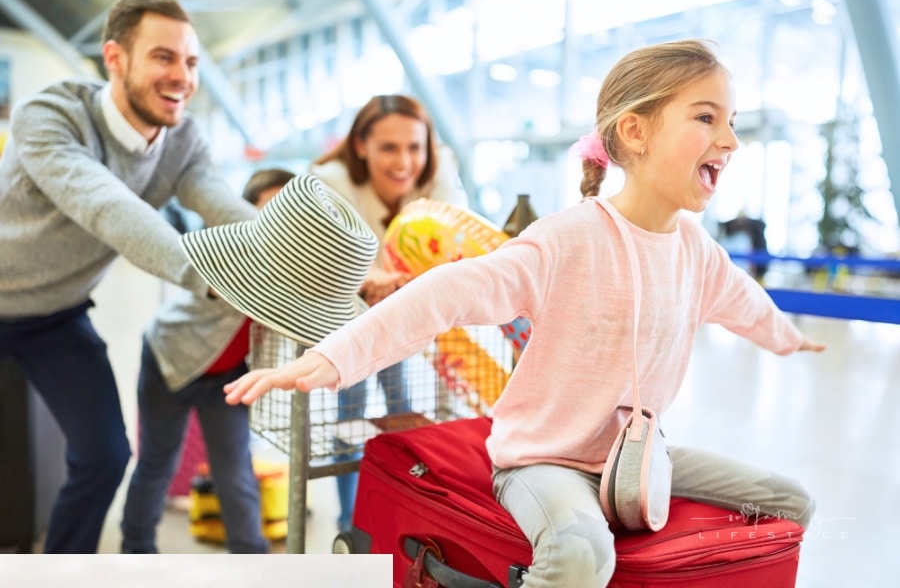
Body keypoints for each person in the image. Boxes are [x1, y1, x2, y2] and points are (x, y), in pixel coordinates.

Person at [224, 39, 826, 586]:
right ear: (636, 132)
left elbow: (745, 302)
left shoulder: (699, 252)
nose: (731, 140)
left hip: (633, 457)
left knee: (789, 502)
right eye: (706, 117)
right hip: (543, 460)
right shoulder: (566, 241)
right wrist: (327, 360)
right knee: (581, 552)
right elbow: (442, 294)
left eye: (732, 122)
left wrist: (787, 338)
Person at [0, 0, 258, 553]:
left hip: (55, 317)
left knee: (106, 457)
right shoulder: (50, 115)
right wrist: (217, 275)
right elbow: (108, 207)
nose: (182, 77)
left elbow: (225, 206)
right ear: (115, 58)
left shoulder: (183, 140)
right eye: (163, 57)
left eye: (191, 62)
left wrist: (294, 257)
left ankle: (64, 572)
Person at [309, 94, 468, 532]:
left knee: (403, 412)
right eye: (389, 148)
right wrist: (369, 279)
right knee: (351, 412)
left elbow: (458, 232)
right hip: (350, 317)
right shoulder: (330, 181)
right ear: (361, 145)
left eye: (414, 147)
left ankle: (393, 515)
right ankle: (350, 520)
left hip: (406, 317)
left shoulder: (438, 172)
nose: (404, 162)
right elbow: (324, 255)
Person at [119, 168, 295, 554]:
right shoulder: (229, 253)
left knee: (234, 471)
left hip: (228, 376)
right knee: (157, 462)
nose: (277, 225)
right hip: (170, 360)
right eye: (267, 213)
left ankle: (251, 559)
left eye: (288, 214)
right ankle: (135, 550)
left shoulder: (292, 271)